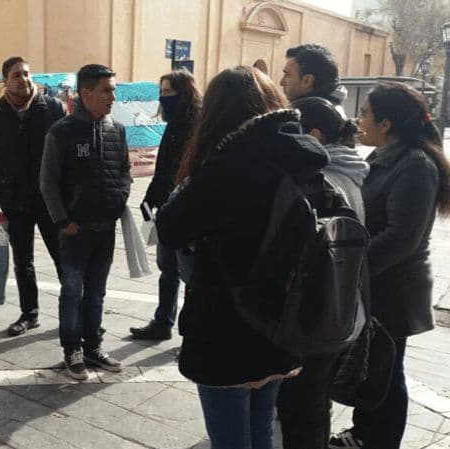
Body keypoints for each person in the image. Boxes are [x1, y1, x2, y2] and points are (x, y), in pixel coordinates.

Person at [156, 66, 322, 449]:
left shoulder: (227, 166)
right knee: (261, 429)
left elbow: (170, 227)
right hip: (284, 321)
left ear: (216, 113)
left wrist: (190, 181)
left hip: (227, 327)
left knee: (230, 439)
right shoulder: (303, 156)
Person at [329, 83, 450, 449]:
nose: (358, 119)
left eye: (364, 113)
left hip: (396, 285)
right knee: (375, 361)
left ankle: (379, 440)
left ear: (386, 123)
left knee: (388, 366)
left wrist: (353, 267)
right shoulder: (385, 156)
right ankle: (364, 431)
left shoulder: (414, 164)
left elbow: (403, 236)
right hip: (377, 280)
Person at [276, 96, 368, 449]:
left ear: (312, 134)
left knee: (302, 407)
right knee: (314, 403)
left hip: (316, 311)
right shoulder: (353, 172)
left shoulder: (321, 179)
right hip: (343, 310)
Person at [41, 64, 131, 380]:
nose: (112, 96)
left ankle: (93, 347)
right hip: (74, 231)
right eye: (107, 90)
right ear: (86, 93)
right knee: (72, 290)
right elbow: (48, 181)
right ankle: (72, 350)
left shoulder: (116, 130)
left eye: (114, 90)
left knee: (96, 292)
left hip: (105, 229)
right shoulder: (61, 132)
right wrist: (62, 220)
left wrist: (120, 199)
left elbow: (124, 172)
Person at [0, 56, 67, 336]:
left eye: (27, 73)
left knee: (63, 257)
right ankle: (29, 314)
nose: (23, 79)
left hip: (51, 200)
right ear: (5, 80)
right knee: (23, 261)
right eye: (16, 75)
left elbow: (66, 154)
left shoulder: (52, 108)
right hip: (15, 200)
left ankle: (72, 310)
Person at [130, 69, 201, 340]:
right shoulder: (174, 122)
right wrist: (150, 200)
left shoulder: (196, 123)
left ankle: (191, 330)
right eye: (161, 92)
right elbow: (164, 170)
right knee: (167, 267)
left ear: (183, 92)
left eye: (168, 92)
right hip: (168, 207)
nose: (163, 98)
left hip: (187, 209)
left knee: (189, 274)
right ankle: (163, 322)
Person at [280, 44, 347, 116]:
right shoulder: (331, 113)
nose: (281, 82)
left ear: (307, 81)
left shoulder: (311, 118)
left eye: (287, 75)